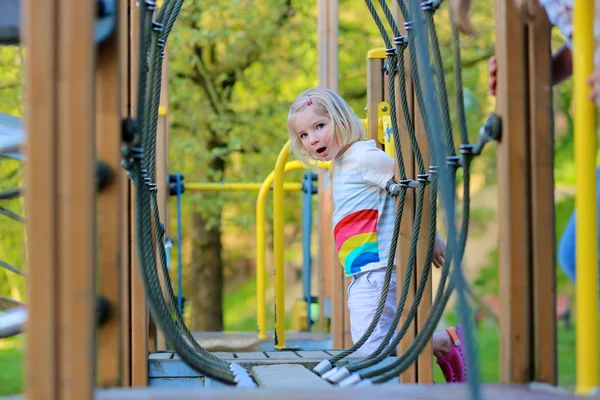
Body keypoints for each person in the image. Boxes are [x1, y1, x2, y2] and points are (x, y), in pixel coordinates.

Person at [287, 87, 467, 383]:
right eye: (304, 135)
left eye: (320, 126)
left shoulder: (363, 157)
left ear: (342, 120)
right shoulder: (344, 163)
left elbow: (412, 187)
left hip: (379, 269)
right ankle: (436, 354)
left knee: (372, 349)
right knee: (377, 343)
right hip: (368, 271)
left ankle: (443, 343)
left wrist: (430, 234)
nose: (313, 138)